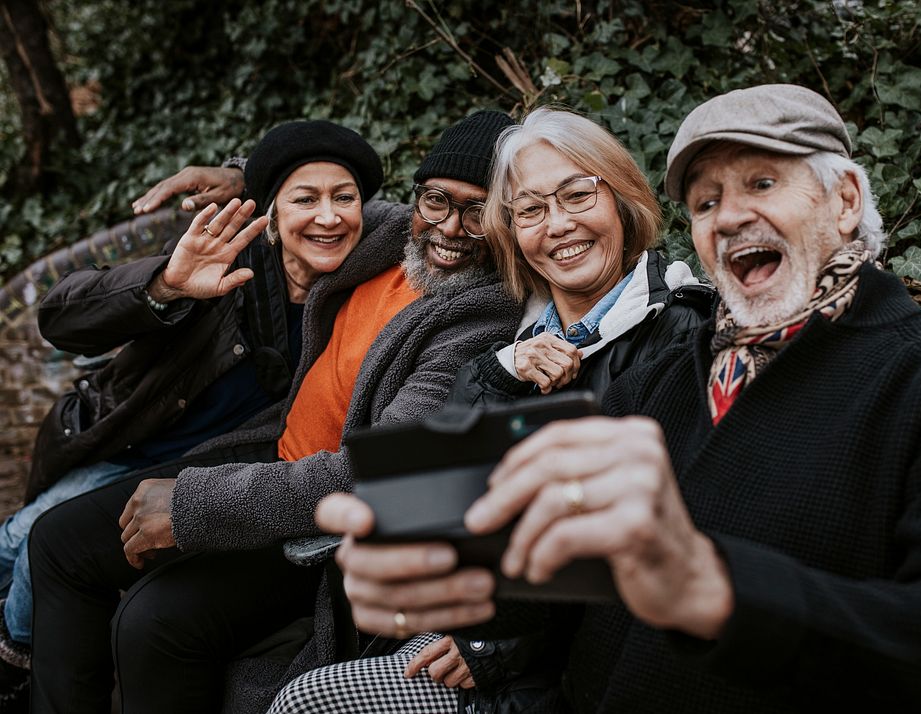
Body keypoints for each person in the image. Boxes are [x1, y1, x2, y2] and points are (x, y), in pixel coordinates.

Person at [315, 84, 921, 712]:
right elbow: (553, 584)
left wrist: (716, 590)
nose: (730, 217)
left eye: (762, 182)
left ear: (846, 199)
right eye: (706, 202)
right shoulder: (669, 378)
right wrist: (438, 556)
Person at [26, 110, 522, 714]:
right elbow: (318, 194)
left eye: (480, 211)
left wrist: (192, 506)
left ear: (509, 220)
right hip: (266, 448)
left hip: (321, 521)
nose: (451, 228)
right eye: (438, 201)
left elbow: (382, 472)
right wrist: (249, 178)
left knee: (154, 621)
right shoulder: (390, 233)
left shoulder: (480, 319)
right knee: (57, 541)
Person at [267, 106, 713, 714]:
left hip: (553, 658)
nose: (557, 226)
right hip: (464, 604)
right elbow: (432, 478)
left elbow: (645, 539)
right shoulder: (519, 328)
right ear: (510, 232)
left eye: (577, 195)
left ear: (623, 201)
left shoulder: (675, 331)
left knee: (307, 703)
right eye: (531, 209)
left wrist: (492, 643)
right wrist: (499, 376)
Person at [0, 119, 389, 700]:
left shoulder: (363, 295)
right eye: (305, 200)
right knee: (20, 543)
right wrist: (164, 287)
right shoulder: (220, 262)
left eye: (344, 199)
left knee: (40, 548)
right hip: (129, 445)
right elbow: (61, 318)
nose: (328, 217)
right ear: (272, 215)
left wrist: (241, 169)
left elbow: (438, 205)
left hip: (214, 472)